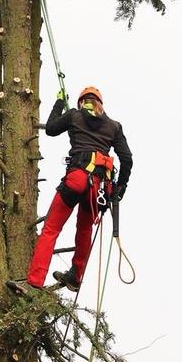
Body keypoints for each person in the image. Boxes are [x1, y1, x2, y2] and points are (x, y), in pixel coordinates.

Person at [26, 85, 132, 291]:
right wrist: (120, 187)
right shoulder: (114, 126)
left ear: (82, 102)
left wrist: (59, 103)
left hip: (77, 180)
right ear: (100, 103)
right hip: (98, 190)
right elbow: (126, 159)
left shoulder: (74, 115)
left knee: (51, 229)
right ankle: (76, 275)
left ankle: (34, 280)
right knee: (84, 229)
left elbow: (50, 129)